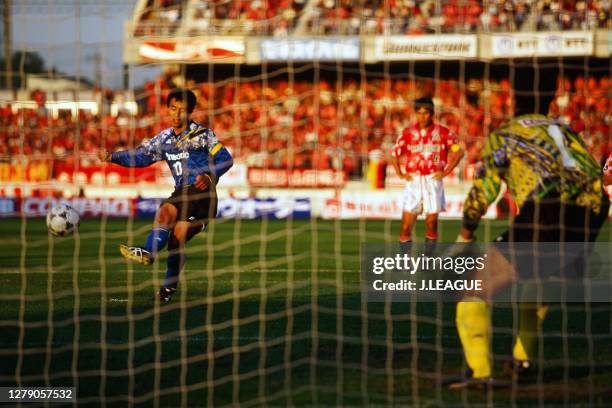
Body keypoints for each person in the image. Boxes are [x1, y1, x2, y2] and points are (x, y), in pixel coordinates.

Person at [450, 66, 610, 389]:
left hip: (547, 210)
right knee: (537, 283)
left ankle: (480, 373)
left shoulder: (507, 133)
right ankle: (522, 360)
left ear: (513, 97)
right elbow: (595, 175)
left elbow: (485, 190)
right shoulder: (566, 131)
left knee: (473, 291)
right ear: (550, 97)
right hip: (592, 211)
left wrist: (463, 236)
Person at [98, 88, 233, 302]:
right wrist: (113, 156)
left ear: (190, 112)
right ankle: (167, 290)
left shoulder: (202, 135)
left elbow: (226, 159)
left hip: (202, 194)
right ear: (167, 109)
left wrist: (209, 175)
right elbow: (142, 157)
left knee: (166, 212)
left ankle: (148, 251)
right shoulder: (164, 138)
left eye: (182, 110)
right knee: (175, 241)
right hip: (183, 194)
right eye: (173, 108)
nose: (177, 114)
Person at [391, 97, 464, 254]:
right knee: (405, 225)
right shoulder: (407, 133)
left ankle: (427, 259)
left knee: (431, 223)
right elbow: (394, 153)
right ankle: (405, 260)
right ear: (415, 114)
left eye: (426, 113)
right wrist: (400, 173)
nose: (422, 116)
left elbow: (459, 152)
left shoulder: (444, 133)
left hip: (433, 180)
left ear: (432, 114)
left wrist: (445, 172)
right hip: (414, 180)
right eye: (419, 113)